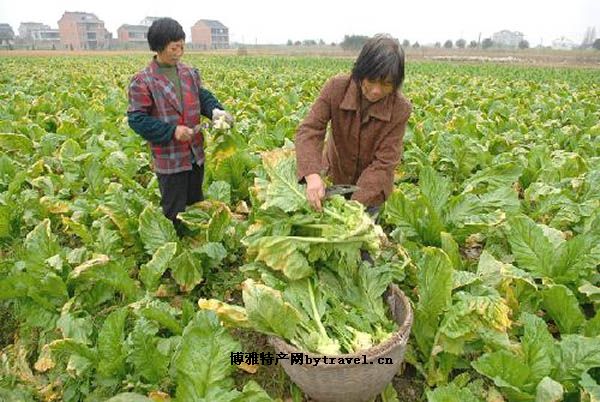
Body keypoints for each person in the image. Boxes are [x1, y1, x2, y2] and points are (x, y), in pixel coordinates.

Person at [127, 18, 232, 235]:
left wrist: (215, 110)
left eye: (182, 46)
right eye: (174, 47)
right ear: (159, 47)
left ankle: (196, 243)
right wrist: (171, 131)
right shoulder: (143, 80)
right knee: (174, 210)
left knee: (196, 203)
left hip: (195, 152)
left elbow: (202, 96)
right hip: (170, 157)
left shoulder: (188, 73)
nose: (179, 52)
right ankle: (176, 249)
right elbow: (137, 118)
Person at [295, 34, 411, 216]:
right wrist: (312, 174)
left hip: (372, 191)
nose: (376, 90)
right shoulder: (336, 88)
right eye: (371, 80)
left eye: (386, 84)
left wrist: (352, 208)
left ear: (395, 84)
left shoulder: (400, 109)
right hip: (333, 181)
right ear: (360, 72)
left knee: (358, 238)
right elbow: (310, 130)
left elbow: (384, 163)